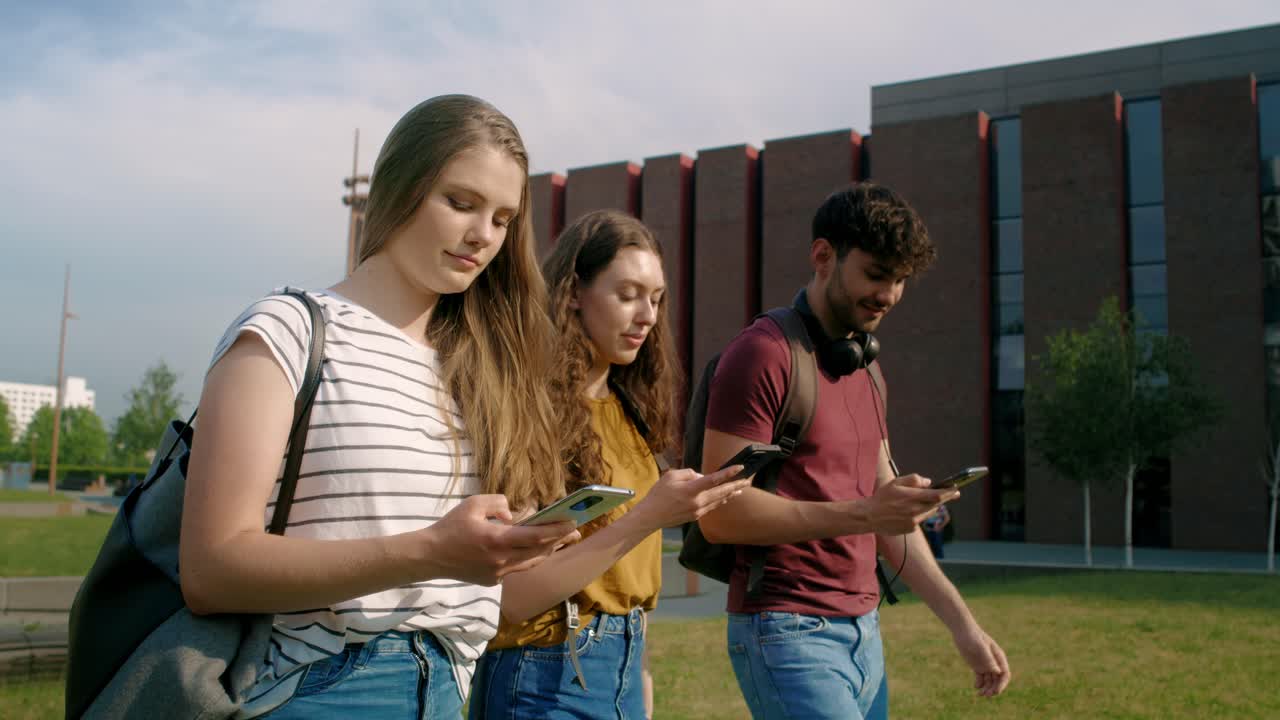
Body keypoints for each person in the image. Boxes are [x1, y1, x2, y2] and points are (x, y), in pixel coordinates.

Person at [178, 94, 580, 720]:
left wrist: (511, 547)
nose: (483, 235)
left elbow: (486, 598)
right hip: (315, 691)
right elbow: (212, 568)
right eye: (461, 202)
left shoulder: (484, 372)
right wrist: (432, 550)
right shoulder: (287, 330)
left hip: (449, 689)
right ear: (399, 188)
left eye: (503, 218)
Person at [697, 183, 1012, 719]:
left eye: (900, 280)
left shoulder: (866, 369)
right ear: (823, 256)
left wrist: (963, 625)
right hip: (787, 629)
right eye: (876, 274)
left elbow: (890, 518)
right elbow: (719, 515)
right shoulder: (763, 355)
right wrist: (868, 512)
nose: (888, 294)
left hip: (864, 632)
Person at [469, 210, 750, 719]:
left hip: (623, 666)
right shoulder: (529, 411)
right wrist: (651, 514)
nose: (647, 315)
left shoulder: (629, 414)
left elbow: (628, 588)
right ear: (574, 292)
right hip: (543, 676)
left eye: (657, 299)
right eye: (627, 294)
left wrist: (639, 692)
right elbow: (513, 597)